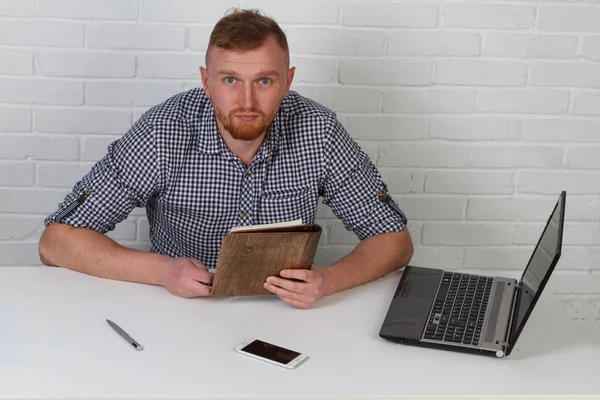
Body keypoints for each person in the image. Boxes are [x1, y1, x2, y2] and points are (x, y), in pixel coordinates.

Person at [38, 8, 414, 309]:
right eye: (230, 80)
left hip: (284, 313)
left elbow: (394, 241)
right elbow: (56, 243)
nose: (247, 102)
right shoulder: (164, 131)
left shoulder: (319, 130)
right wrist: (163, 271)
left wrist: (329, 280)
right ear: (206, 81)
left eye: (264, 81)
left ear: (287, 81)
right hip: (180, 309)